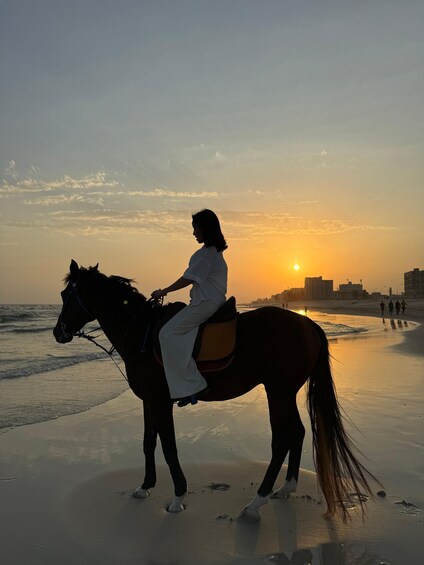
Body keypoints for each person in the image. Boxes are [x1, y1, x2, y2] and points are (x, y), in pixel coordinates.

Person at [151, 209, 228, 406]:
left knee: (166, 334)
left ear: (205, 229)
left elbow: (188, 279)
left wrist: (164, 291)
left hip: (205, 304)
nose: (193, 233)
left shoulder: (207, 254)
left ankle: (194, 385)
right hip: (206, 302)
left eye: (195, 228)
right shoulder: (208, 252)